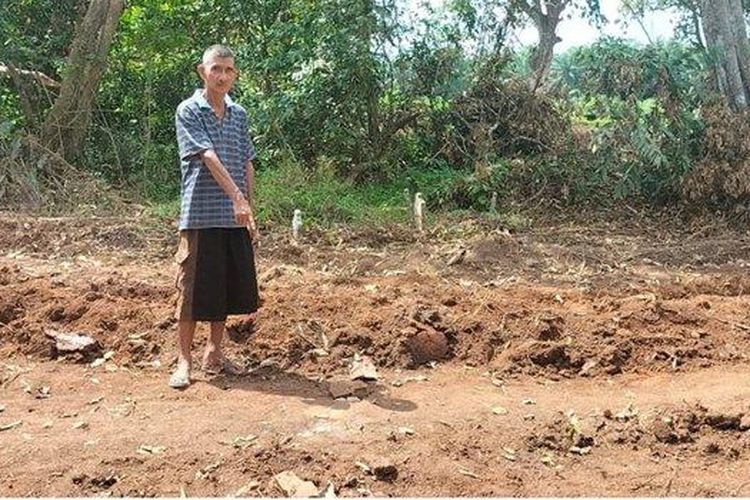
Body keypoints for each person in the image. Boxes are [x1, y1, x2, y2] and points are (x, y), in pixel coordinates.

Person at [169, 44, 260, 389]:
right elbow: (207, 155)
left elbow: (246, 161)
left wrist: (249, 207)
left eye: (228, 70)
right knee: (192, 291)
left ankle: (214, 354)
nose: (222, 76)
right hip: (201, 214)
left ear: (234, 74)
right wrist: (237, 198)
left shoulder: (239, 114)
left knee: (223, 287)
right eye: (215, 69)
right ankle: (183, 361)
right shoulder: (189, 110)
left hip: (234, 215)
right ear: (202, 71)